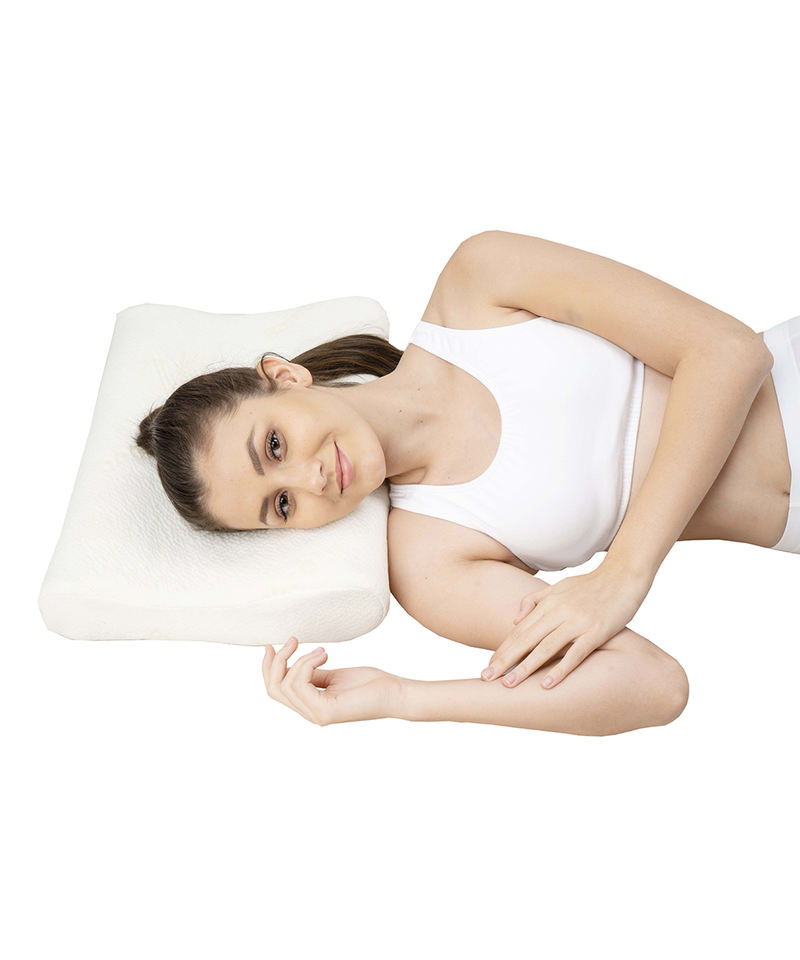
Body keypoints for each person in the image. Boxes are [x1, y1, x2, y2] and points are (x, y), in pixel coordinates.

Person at [135, 230, 797, 735]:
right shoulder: (429, 560)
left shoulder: (479, 284)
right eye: (281, 505)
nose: (311, 479)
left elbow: (731, 351)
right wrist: (404, 698)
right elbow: (652, 685)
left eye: (274, 445)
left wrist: (622, 573)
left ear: (284, 377)